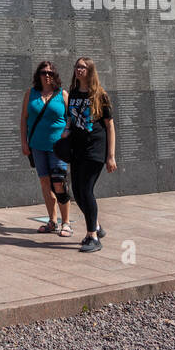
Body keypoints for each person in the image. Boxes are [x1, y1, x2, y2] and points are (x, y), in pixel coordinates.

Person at [66, 56, 117, 253]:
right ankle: (95, 225)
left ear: (90, 71)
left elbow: (110, 126)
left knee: (86, 190)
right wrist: (65, 132)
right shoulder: (73, 93)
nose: (79, 70)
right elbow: (71, 119)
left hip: (95, 149)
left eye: (83, 67)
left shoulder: (99, 95)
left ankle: (92, 237)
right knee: (77, 193)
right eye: (77, 66)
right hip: (77, 149)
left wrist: (110, 156)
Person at [20, 60, 72, 237]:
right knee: (45, 183)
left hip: (58, 148)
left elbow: (72, 119)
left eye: (50, 72)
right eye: (43, 72)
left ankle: (66, 222)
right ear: (38, 75)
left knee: (59, 183)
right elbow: (24, 120)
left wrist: (66, 133)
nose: (47, 75)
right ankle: (52, 220)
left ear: (55, 75)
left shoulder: (62, 94)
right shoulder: (31, 93)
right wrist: (24, 142)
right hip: (37, 146)